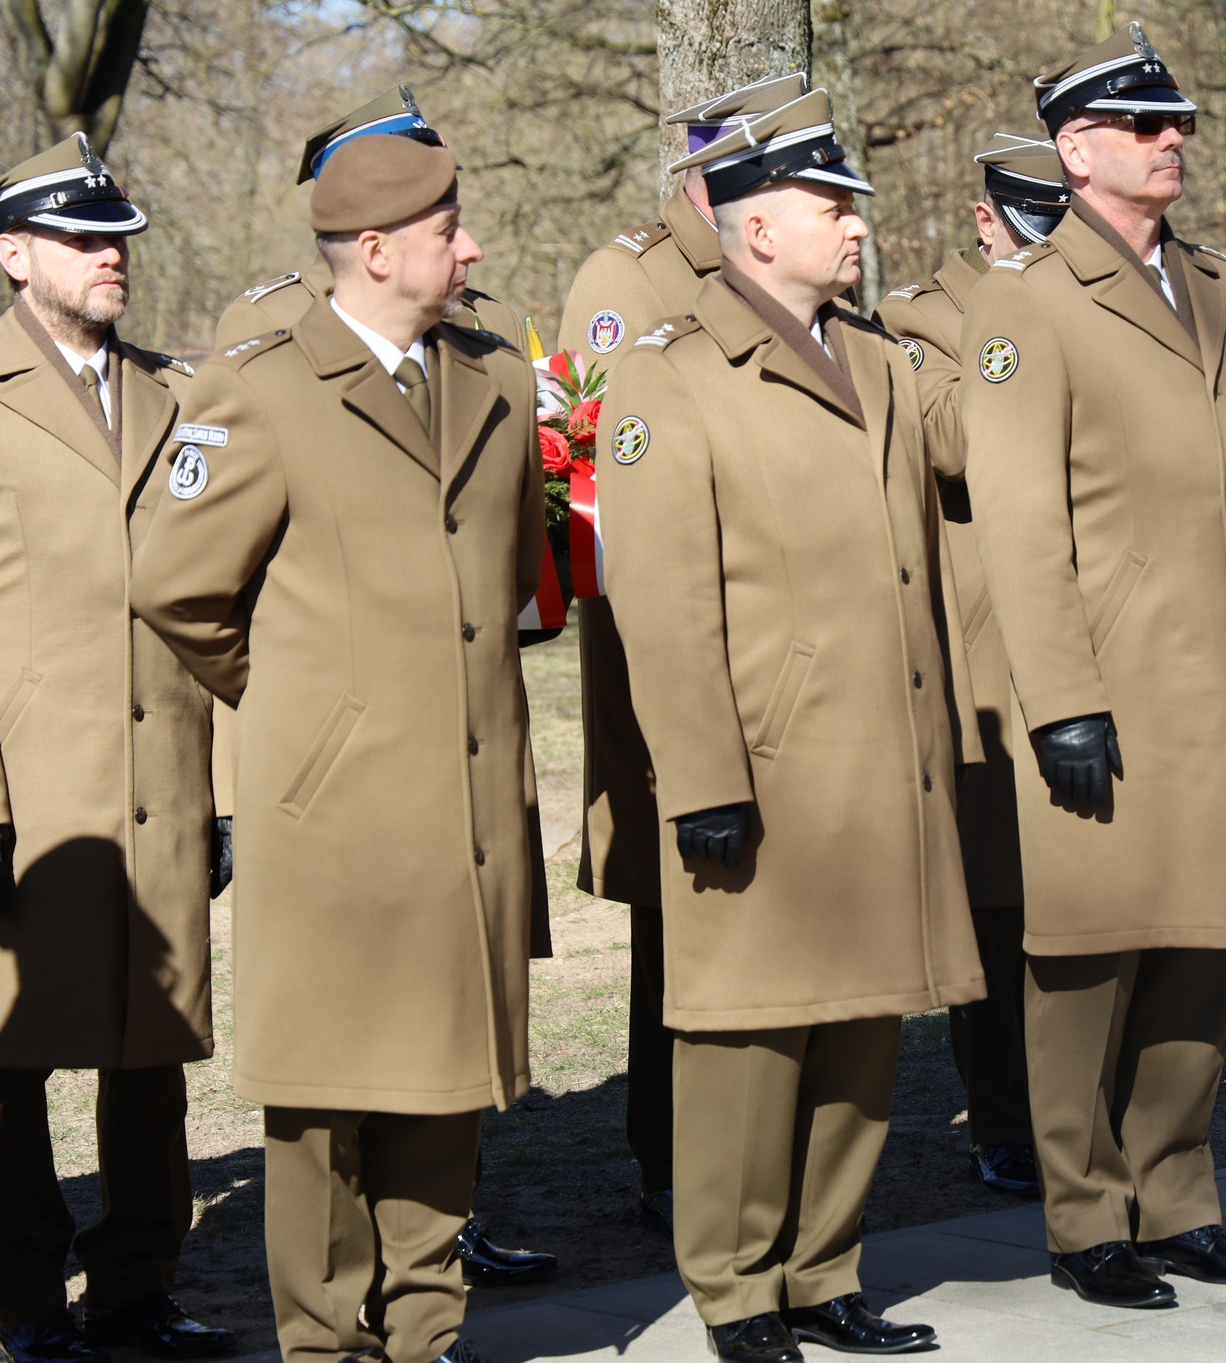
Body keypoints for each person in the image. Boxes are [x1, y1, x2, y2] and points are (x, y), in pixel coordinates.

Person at [131, 134, 546, 1363]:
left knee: (446, 1067)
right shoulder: (258, 387)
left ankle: (428, 1328)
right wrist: (310, 709)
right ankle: (323, 1343)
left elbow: (514, 576)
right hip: (336, 809)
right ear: (373, 250)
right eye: (447, 231)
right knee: (323, 1097)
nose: (471, 248)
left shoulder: (493, 376)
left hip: (467, 794)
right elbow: (175, 584)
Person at [594, 87, 983, 1363]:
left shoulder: (875, 357)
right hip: (761, 766)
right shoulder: (669, 373)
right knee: (746, 1037)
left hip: (883, 758)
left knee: (863, 1027)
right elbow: (658, 601)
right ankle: (734, 1287)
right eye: (832, 206)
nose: (857, 224)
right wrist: (701, 774)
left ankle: (823, 1271)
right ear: (757, 227)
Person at [959, 23, 1226, 1310]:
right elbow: (1016, 523)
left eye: (1178, 125)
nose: (1173, 141)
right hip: (1105, 684)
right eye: (1143, 125)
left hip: (1218, 677)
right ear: (1076, 149)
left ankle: (1176, 1201)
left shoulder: (1223, 287)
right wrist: (1059, 699)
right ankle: (1084, 1218)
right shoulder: (1025, 299)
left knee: (1203, 945)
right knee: (1087, 958)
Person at [0, 133, 235, 1363]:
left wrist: (224, 785)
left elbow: (218, 597)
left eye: (118, 238)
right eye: (81, 239)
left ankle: (137, 1287)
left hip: (164, 777)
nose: (111, 257)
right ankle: (21, 1302)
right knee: (4, 1056)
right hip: (27, 790)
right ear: (15, 255)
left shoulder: (180, 394)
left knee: (151, 1047)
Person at [554, 69, 807, 1234]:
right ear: (711, 177)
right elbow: (599, 468)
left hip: (776, 641)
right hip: (671, 647)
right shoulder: (628, 280)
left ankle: (767, 1143)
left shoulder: (769, 272)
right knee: (680, 910)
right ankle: (668, 1151)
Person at [874, 130, 1072, 1200]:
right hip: (988, 657)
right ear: (988, 220)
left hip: (1094, 630)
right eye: (1033, 227)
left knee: (1089, 887)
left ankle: (1085, 1109)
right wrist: (1022, 318)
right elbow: (957, 440)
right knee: (1000, 901)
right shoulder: (921, 317)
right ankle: (1003, 1119)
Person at [215, 88, 523, 348]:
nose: (436, 191)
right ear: (350, 197)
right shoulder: (267, 320)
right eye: (411, 182)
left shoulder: (492, 320)